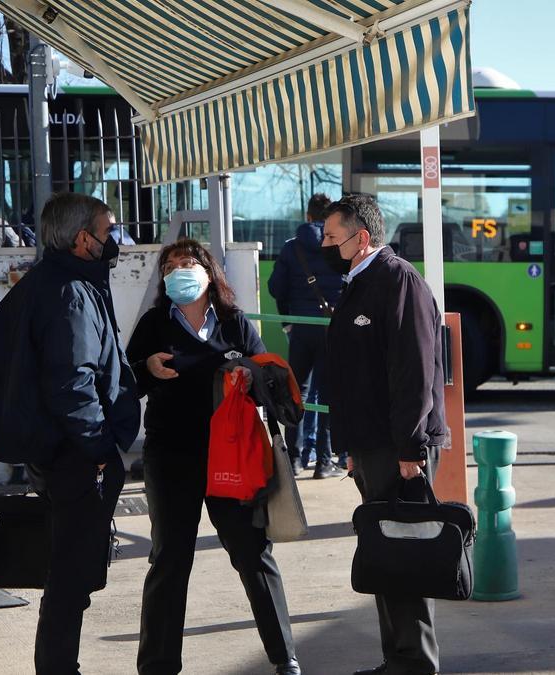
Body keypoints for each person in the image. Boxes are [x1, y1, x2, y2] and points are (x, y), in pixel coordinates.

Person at [127, 239, 301, 675]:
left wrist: (251, 373)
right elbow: (126, 382)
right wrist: (147, 368)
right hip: (171, 456)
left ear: (208, 272)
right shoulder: (153, 324)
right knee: (169, 558)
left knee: (252, 552)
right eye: (170, 265)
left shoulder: (234, 322)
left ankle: (285, 659)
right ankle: (158, 666)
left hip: (233, 457)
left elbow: (269, 378)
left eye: (188, 262)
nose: (179, 270)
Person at [0, 192, 139, 674]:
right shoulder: (69, 291)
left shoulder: (47, 283)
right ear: (81, 239)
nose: (114, 239)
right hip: (75, 458)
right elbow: (72, 382)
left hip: (57, 455)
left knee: (69, 578)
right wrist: (97, 450)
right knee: (71, 581)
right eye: (107, 230)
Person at [322, 194, 446, 675]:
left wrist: (409, 448)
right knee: (383, 552)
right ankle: (396, 658)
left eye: (334, 237)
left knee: (404, 553)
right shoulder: (360, 281)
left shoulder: (399, 281)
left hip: (397, 446)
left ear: (362, 237)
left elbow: (413, 372)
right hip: (371, 444)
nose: (328, 245)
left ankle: (414, 662)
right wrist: (351, 445)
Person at [267, 193, 346, 478]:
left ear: (308, 217)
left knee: (295, 393)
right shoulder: (339, 246)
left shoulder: (291, 248)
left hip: (300, 329)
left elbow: (276, 288)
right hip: (331, 331)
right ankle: (325, 463)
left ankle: (295, 459)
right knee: (327, 396)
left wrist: (290, 318)